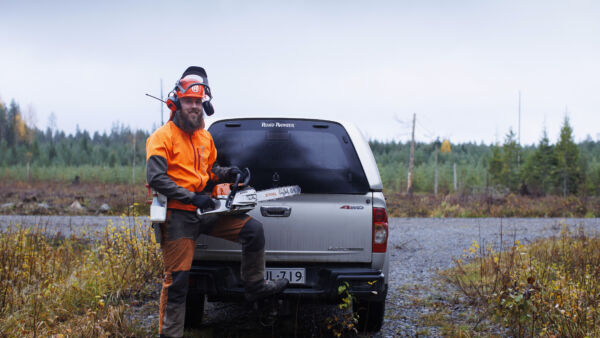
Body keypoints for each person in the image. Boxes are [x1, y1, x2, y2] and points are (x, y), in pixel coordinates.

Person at [146, 66, 288, 338]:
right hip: (178, 216)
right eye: (189, 101)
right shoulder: (161, 138)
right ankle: (169, 335)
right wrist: (191, 196)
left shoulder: (204, 137)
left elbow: (209, 171)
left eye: (199, 102)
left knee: (253, 231)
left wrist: (228, 172)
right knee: (177, 283)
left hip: (206, 210)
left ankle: (255, 285)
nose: (194, 107)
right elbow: (156, 179)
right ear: (176, 103)